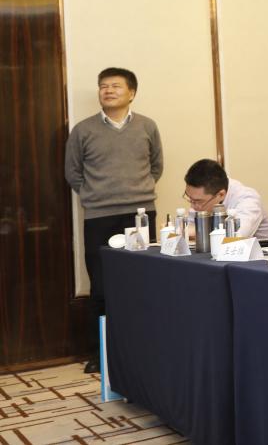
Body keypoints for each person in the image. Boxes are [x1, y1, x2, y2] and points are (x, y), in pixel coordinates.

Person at [65, 67, 163, 374]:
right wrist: (94, 195)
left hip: (140, 216)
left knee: (141, 283)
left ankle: (142, 349)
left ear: (131, 93)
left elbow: (157, 166)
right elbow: (73, 172)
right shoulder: (83, 130)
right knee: (101, 287)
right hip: (99, 217)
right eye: (103, 86)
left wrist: (137, 193)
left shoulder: (147, 126)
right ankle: (100, 354)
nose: (108, 90)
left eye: (115, 86)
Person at [183, 159, 268, 239]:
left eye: (198, 201)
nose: (193, 206)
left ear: (221, 194)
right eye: (190, 198)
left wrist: (196, 231)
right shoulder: (201, 197)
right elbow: (190, 228)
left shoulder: (248, 199)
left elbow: (236, 236)